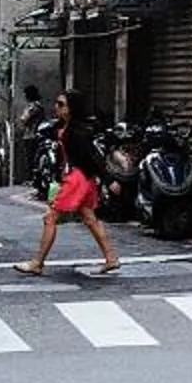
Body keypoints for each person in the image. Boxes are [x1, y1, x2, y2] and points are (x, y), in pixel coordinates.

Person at [18, 90, 121, 278]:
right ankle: (111, 258)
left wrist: (108, 179)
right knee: (90, 218)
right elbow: (48, 131)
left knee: (50, 218)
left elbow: (93, 156)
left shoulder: (78, 131)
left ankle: (37, 262)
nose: (56, 107)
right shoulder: (64, 126)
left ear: (71, 108)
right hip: (81, 178)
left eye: (61, 104)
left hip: (76, 179)